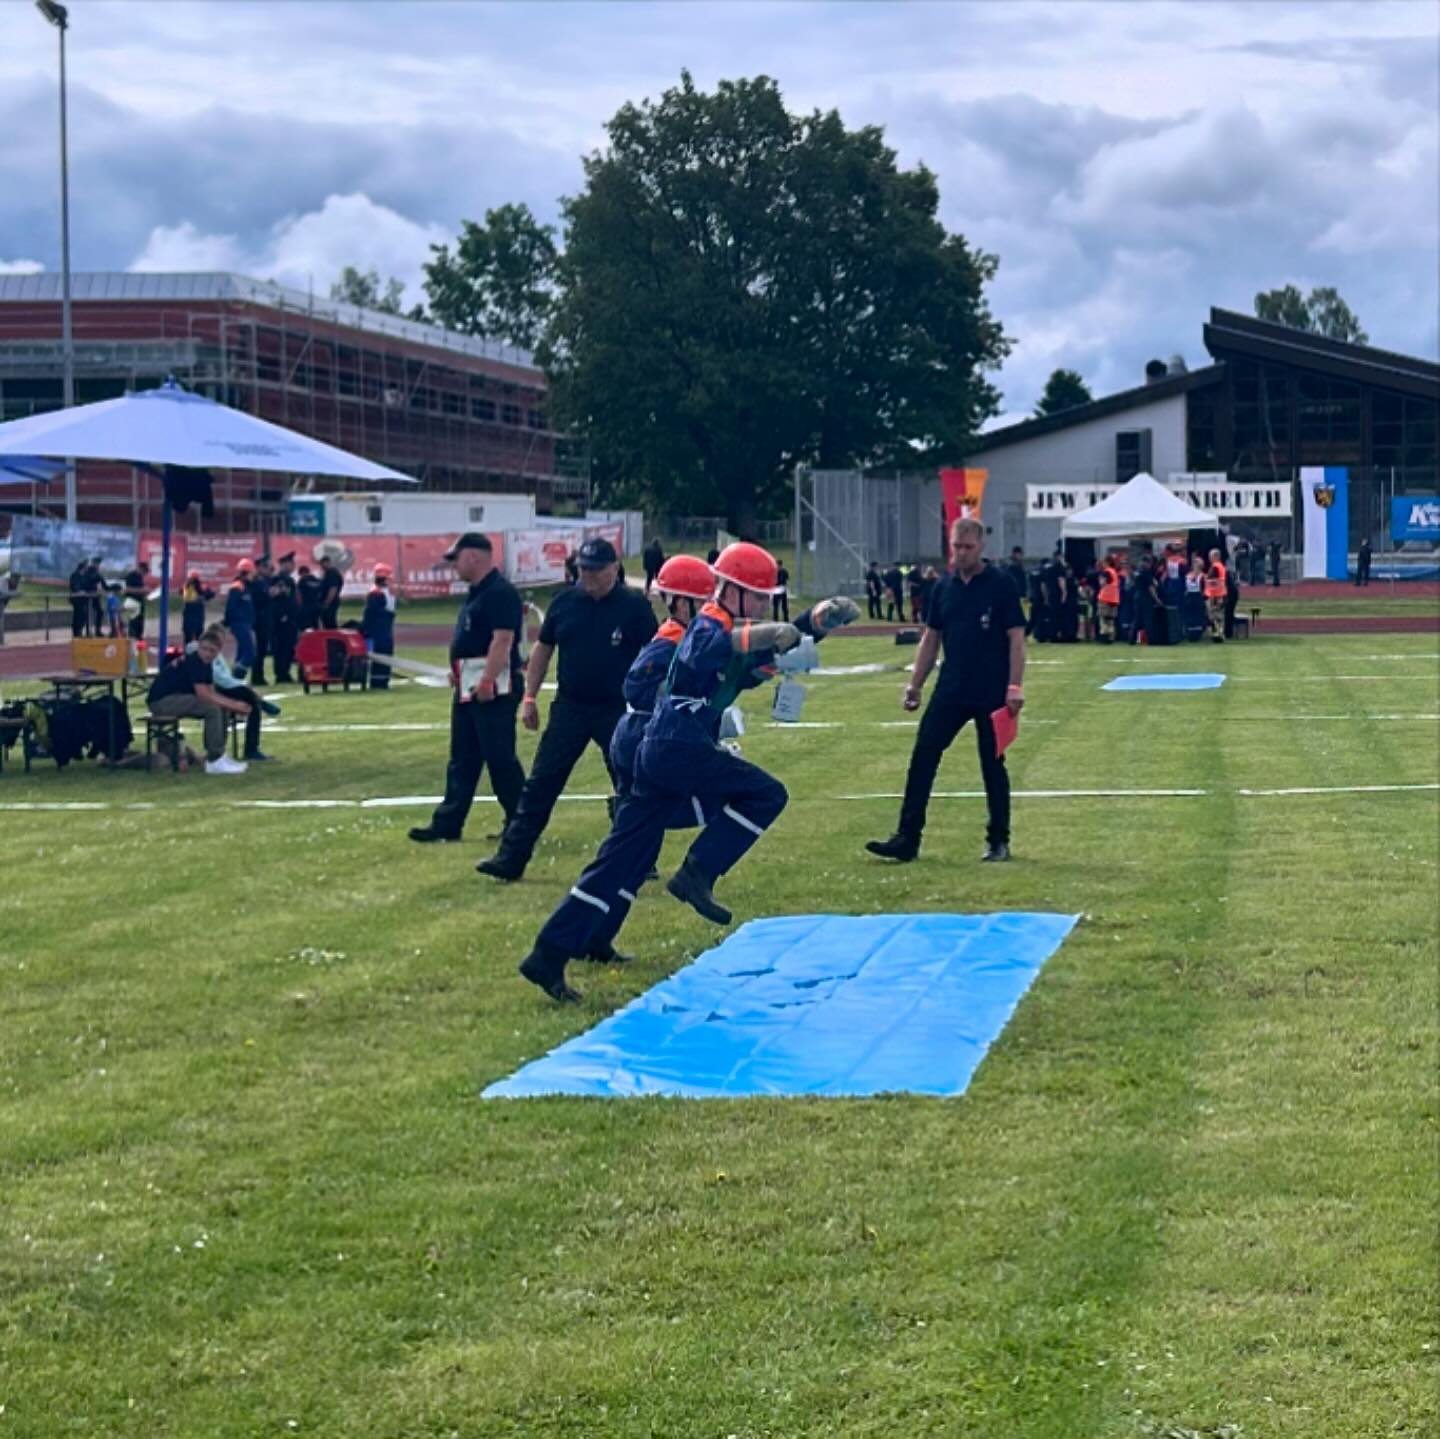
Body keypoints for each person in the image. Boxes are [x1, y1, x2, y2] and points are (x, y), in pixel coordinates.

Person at [517, 542, 856, 1002]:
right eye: (757, 597)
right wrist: (762, 637)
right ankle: (697, 872)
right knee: (765, 795)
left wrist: (816, 623)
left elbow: (764, 653)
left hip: (665, 747)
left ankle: (550, 952)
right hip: (673, 745)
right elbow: (705, 650)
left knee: (623, 858)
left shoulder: (721, 625)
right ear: (730, 591)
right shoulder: (707, 624)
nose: (762, 605)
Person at [476, 537, 658, 881]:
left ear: (614, 569)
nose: (588, 577)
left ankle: (639, 858)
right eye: (583, 570)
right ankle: (511, 858)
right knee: (541, 783)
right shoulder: (564, 603)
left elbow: (655, 653)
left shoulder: (634, 607)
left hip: (617, 709)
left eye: (596, 570)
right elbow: (543, 649)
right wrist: (530, 697)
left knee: (630, 782)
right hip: (571, 707)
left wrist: (649, 701)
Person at [866, 517, 1025, 865]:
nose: (961, 553)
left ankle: (998, 840)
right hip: (951, 686)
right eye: (956, 546)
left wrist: (1014, 686)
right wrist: (915, 684)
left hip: (991, 689)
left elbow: (1016, 637)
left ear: (981, 547)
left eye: (968, 547)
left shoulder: (1001, 584)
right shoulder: (943, 587)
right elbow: (931, 637)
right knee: (923, 754)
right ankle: (907, 838)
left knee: (992, 763)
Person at [408, 533, 526, 844]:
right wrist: (459, 672)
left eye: (456, 559)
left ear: (473, 556)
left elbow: (502, 640)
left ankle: (521, 821)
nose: (454, 566)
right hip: (468, 684)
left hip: (494, 688)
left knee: (499, 757)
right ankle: (448, 823)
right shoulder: (477, 593)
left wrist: (487, 679)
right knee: (462, 757)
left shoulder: (500, 592)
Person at [145, 627, 251, 775]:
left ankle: (219, 755)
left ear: (218, 652)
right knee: (212, 709)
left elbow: (211, 692)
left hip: (176, 698)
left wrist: (230, 705)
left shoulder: (206, 665)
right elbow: (203, 695)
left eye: (211, 650)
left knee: (221, 708)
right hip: (161, 702)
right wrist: (234, 705)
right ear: (198, 646)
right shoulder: (194, 661)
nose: (207, 653)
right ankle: (214, 759)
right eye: (204, 649)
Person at [199, 624, 277, 762]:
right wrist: (242, 685)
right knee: (251, 700)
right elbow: (220, 678)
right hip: (217, 689)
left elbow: (226, 677)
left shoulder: (218, 656)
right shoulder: (208, 654)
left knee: (250, 699)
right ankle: (251, 749)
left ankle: (258, 703)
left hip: (223, 687)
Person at [360, 562, 397, 689]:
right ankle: (379, 682)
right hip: (380, 630)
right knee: (381, 654)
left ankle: (382, 680)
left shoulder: (382, 592)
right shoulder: (377, 593)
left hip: (383, 628)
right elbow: (374, 613)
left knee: (384, 654)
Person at [268, 552, 300, 683]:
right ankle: (281, 674)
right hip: (282, 620)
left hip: (290, 619)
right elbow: (277, 599)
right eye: (290, 563)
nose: (293, 566)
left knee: (289, 647)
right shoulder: (278, 580)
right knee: (281, 647)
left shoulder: (289, 580)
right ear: (284, 564)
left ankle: (285, 672)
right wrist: (282, 615)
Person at [223, 561, 257, 677]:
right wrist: (228, 621)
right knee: (249, 653)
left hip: (245, 623)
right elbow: (230, 606)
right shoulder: (237, 587)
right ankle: (236, 675)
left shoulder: (245, 587)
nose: (253, 576)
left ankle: (234, 678)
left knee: (242, 653)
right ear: (246, 573)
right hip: (239, 623)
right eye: (251, 573)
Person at [248, 555, 274, 686]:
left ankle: (259, 675)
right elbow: (258, 599)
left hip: (265, 618)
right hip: (259, 620)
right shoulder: (256, 582)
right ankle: (257, 676)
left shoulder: (264, 581)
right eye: (266, 567)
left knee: (263, 649)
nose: (269, 569)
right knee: (259, 648)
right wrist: (270, 594)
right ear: (259, 567)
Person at [181, 571, 214, 645]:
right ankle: (195, 649)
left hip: (190, 612)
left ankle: (189, 649)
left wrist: (204, 595)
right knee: (197, 634)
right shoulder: (191, 586)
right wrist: (204, 595)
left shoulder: (187, 585)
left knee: (189, 635)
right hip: (195, 612)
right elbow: (211, 594)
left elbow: (181, 592)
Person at [1204, 547, 1227, 642]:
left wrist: (1212, 597)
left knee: (1214, 616)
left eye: (1211, 556)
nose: (1209, 558)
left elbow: (1213, 583)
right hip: (1220, 594)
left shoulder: (1215, 567)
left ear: (1216, 556)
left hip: (1215, 595)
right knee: (1219, 616)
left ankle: (1217, 635)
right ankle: (1219, 634)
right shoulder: (1220, 566)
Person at [123, 560, 150, 641]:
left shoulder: (139, 577)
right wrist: (141, 590)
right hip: (132, 602)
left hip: (140, 601)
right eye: (144, 571)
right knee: (133, 621)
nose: (144, 574)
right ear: (140, 569)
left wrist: (145, 592)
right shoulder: (131, 576)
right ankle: (133, 638)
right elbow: (127, 589)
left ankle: (139, 637)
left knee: (140, 622)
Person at [1096, 551, 1121, 643]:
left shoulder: (1106, 571)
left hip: (1105, 597)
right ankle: (1111, 637)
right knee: (1111, 619)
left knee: (1103, 618)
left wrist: (1100, 579)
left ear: (1107, 562)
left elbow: (1102, 582)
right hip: (1114, 598)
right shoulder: (1114, 572)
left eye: (1104, 562)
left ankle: (1104, 637)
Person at [317, 554, 343, 629]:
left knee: (330, 623)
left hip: (331, 603)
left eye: (323, 563)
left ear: (328, 562)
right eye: (321, 563)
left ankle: (333, 636)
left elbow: (333, 589)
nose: (322, 565)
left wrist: (326, 603)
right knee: (326, 622)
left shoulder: (332, 573)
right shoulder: (327, 573)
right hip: (329, 602)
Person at [297, 564, 323, 630]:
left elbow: (299, 594)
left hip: (306, 606)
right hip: (317, 605)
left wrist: (299, 605)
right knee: (316, 624)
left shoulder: (302, 580)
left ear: (302, 573)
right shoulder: (317, 580)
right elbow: (321, 593)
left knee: (305, 626)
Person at [68, 559, 90, 637]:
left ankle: (79, 630)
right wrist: (80, 591)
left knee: (84, 615)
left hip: (83, 599)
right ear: (83, 567)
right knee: (77, 615)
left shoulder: (85, 576)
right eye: (86, 567)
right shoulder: (75, 575)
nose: (87, 568)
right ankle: (76, 632)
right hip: (76, 599)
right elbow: (74, 586)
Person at [0, 572, 18, 646]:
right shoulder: (3, 580)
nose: (15, 580)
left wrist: (14, 594)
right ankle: (1, 641)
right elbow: (3, 593)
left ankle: (1, 641)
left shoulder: (14, 584)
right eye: (14, 578)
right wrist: (14, 594)